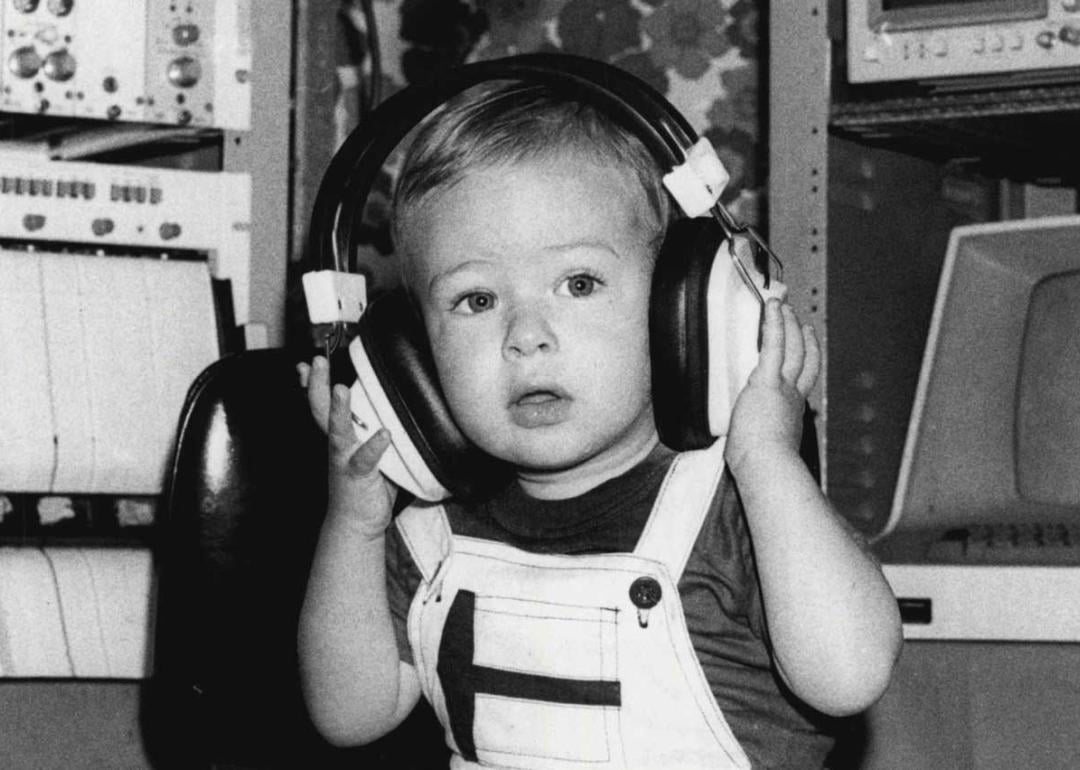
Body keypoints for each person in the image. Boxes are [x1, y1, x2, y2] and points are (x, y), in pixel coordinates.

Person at [296, 75, 902, 769]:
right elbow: (348, 715)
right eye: (475, 299)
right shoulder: (431, 539)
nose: (526, 335)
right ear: (410, 365)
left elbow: (850, 674)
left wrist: (767, 458)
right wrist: (355, 522)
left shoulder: (734, 512)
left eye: (578, 284)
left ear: (688, 312)